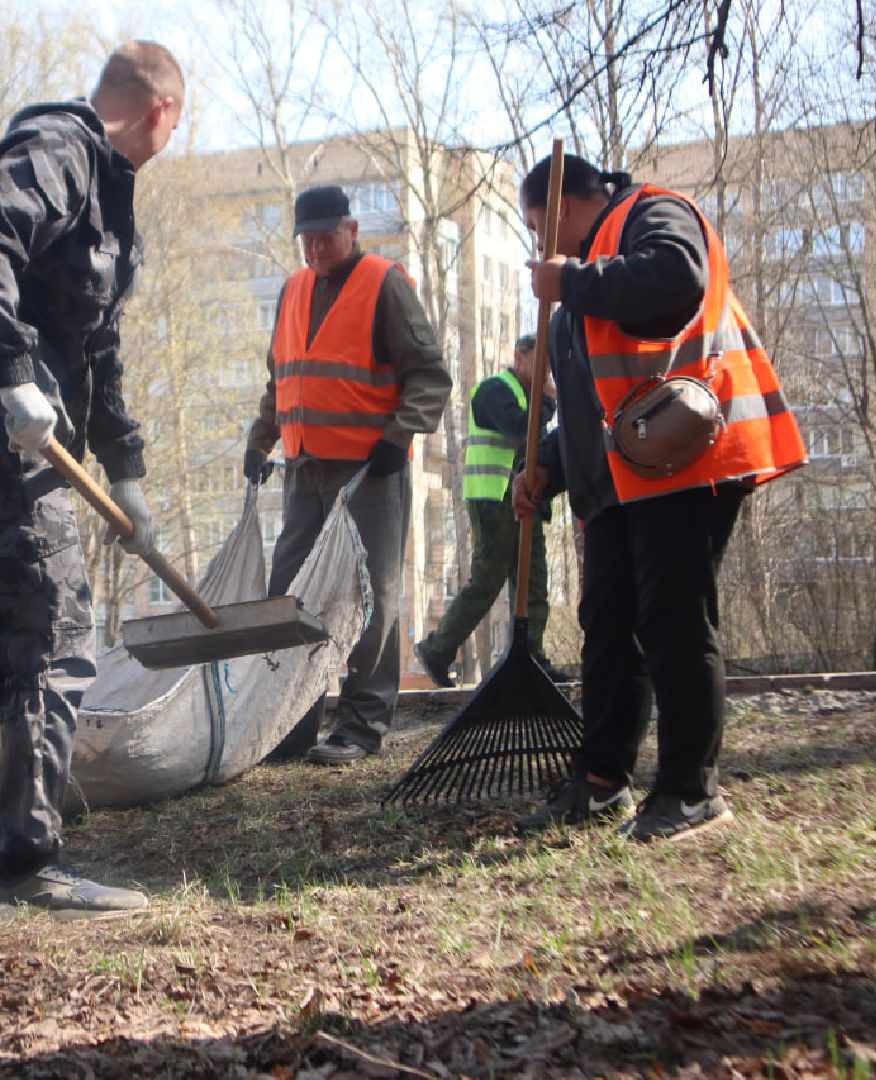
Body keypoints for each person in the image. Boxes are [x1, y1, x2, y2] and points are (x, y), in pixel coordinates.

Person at [0, 42, 184, 919]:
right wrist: (15, 372)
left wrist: (126, 470)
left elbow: (96, 343)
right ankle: (26, 867)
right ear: (162, 114)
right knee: (57, 626)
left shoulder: (105, 197)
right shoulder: (59, 150)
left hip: (5, 424)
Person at [512, 154, 805, 841]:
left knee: (671, 621)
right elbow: (585, 408)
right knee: (606, 623)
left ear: (571, 203)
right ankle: (601, 777)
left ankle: (689, 790)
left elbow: (678, 277)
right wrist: (545, 471)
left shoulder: (651, 212)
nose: (539, 247)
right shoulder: (570, 305)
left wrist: (573, 280)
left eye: (539, 227)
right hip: (621, 477)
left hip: (688, 454)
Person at [244, 184, 452, 766]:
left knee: (369, 595)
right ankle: (289, 726)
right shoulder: (292, 290)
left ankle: (360, 726)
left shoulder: (384, 284)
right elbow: (281, 379)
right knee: (289, 592)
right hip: (304, 469)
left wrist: (399, 434)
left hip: (369, 471)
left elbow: (430, 375)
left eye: (325, 236)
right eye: (306, 238)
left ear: (351, 229)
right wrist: (260, 441)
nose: (315, 248)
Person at [415, 334, 564, 687]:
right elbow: (518, 430)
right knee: (488, 579)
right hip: (493, 497)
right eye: (539, 365)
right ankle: (438, 649)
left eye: (549, 369)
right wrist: (547, 403)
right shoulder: (494, 389)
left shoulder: (533, 396)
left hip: (527, 500)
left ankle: (533, 658)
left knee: (533, 581)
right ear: (519, 357)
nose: (544, 375)